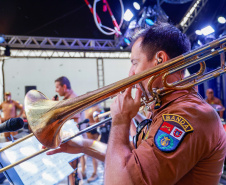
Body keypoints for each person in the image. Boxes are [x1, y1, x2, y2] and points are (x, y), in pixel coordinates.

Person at [46, 23, 226, 185]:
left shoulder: (187, 114)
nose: (131, 73)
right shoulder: (164, 106)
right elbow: (132, 160)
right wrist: (83, 145)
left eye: (135, 62)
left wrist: (120, 121)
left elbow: (121, 181)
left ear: (160, 60)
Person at [54, 76, 86, 185]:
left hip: (73, 139)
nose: (56, 90)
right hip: (72, 139)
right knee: (73, 171)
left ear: (64, 86)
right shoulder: (67, 99)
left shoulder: (72, 99)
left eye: (57, 87)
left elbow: (74, 122)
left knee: (72, 171)